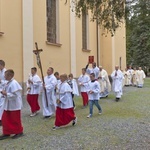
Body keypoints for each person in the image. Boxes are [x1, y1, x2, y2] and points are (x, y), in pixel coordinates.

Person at [0, 69, 23, 140]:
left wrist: (6, 93)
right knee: (5, 119)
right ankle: (7, 132)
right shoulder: (8, 82)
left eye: (5, 75)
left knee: (15, 119)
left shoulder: (14, 83)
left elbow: (16, 95)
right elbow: (4, 85)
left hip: (14, 105)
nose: (4, 77)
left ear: (10, 75)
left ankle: (19, 131)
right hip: (7, 104)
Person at [0, 60, 7, 126]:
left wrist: (1, 81)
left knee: (2, 106)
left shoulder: (5, 72)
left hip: (3, 90)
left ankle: (1, 119)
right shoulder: (0, 71)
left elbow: (7, 82)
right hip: (0, 89)